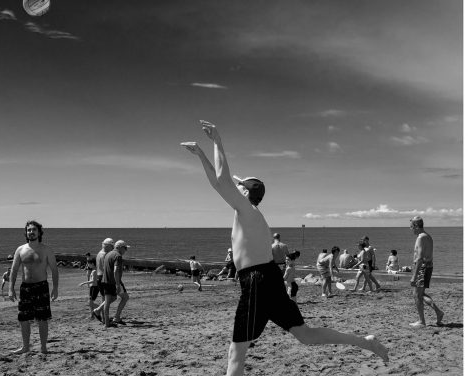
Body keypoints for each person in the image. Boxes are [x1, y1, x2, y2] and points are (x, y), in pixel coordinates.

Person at [181, 120, 388, 375]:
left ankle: (364, 341)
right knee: (305, 335)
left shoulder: (248, 211)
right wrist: (202, 154)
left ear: (246, 192)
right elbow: (220, 183)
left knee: (237, 350)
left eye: (240, 186)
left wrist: (217, 142)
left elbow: (221, 183)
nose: (235, 188)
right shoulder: (249, 213)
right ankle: (363, 341)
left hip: (257, 281)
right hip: (267, 279)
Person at [8, 220, 59, 354]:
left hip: (41, 286)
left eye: (33, 230)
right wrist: (10, 288)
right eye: (29, 230)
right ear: (26, 232)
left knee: (42, 318)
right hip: (25, 288)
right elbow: (14, 270)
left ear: (39, 232)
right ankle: (25, 347)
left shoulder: (46, 249)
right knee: (24, 318)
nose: (31, 232)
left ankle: (43, 347)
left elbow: (54, 270)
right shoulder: (20, 249)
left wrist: (55, 288)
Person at [409, 216, 444, 328]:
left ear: (416, 226)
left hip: (422, 268)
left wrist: (414, 276)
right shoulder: (428, 236)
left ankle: (421, 321)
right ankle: (438, 312)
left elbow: (419, 258)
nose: (411, 229)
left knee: (417, 295)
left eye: (411, 227)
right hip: (428, 266)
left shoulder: (420, 238)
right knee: (421, 294)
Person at [101, 240, 130, 327]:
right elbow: (116, 270)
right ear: (120, 247)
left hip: (105, 280)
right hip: (113, 281)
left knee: (108, 300)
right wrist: (117, 284)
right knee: (125, 297)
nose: (126, 250)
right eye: (125, 248)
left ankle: (106, 322)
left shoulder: (108, 254)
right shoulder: (118, 256)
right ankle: (116, 317)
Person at [92, 238, 114, 323]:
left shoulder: (99, 253)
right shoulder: (105, 254)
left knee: (104, 299)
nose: (113, 248)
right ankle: (99, 313)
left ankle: (105, 319)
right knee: (109, 298)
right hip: (104, 278)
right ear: (107, 246)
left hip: (99, 277)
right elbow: (106, 268)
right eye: (112, 246)